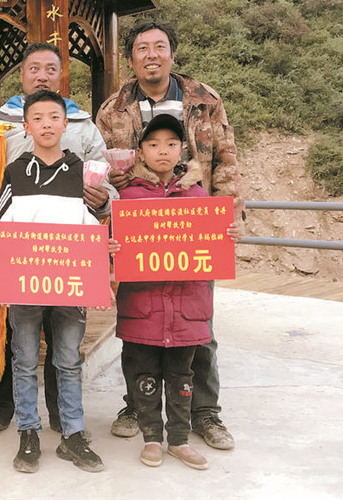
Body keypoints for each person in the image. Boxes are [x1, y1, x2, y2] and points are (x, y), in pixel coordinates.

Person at [96, 19, 244, 450]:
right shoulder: (113, 109)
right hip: (140, 231)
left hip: (193, 227)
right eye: (142, 48)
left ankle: (204, 412)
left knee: (199, 326)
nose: (151, 55)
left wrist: (228, 218)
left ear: (172, 54)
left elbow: (226, 159)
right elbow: (100, 171)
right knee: (139, 323)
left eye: (159, 46)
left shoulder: (204, 99)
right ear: (130, 59)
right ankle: (136, 405)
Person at [0, 42, 117, 441]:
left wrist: (103, 201)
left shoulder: (83, 125)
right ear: (21, 75)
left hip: (69, 253)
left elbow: (106, 185)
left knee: (63, 342)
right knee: (13, 340)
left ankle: (62, 418)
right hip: (20, 251)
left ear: (61, 75)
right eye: (34, 68)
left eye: (51, 68)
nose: (42, 75)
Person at [108, 114, 240, 470]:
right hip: (142, 310)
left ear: (182, 149)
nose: (162, 151)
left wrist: (227, 235)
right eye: (153, 144)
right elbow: (111, 245)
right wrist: (111, 247)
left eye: (170, 144)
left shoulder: (198, 195)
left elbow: (212, 244)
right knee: (143, 377)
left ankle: (179, 441)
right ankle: (151, 439)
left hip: (186, 311)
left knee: (183, 379)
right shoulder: (127, 197)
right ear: (140, 152)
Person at [0, 89, 105, 474]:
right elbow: (3, 225)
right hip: (24, 286)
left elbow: (93, 223)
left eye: (54, 117)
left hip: (71, 285)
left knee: (68, 360)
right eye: (37, 118)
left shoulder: (81, 172)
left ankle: (73, 434)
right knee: (24, 361)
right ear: (26, 126)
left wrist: (99, 274)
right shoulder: (15, 171)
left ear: (66, 124)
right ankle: (28, 433)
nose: (46, 125)